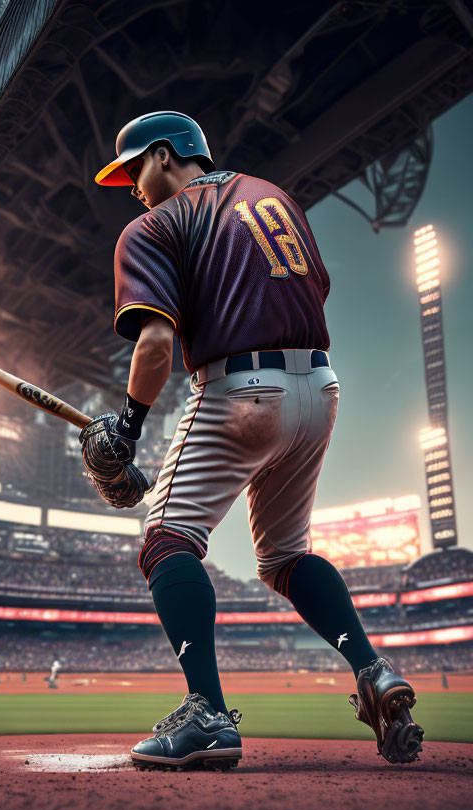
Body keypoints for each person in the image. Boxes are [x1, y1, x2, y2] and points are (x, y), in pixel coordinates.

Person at [81, 111, 424, 770]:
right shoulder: (275, 198)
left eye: (134, 172)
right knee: (286, 556)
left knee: (168, 540)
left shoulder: (155, 225)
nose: (131, 188)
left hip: (240, 389)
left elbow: (155, 343)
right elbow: (311, 286)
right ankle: (373, 670)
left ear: (164, 155)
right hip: (319, 389)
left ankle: (206, 713)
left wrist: (126, 428)